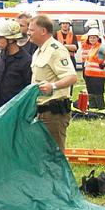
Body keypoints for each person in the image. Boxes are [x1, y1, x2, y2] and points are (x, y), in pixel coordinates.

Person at [29, 15, 78, 149]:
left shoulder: (56, 50)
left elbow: (72, 77)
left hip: (54, 113)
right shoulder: (38, 51)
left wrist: (53, 86)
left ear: (43, 31)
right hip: (41, 111)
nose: (28, 33)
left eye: (32, 30)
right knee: (42, 153)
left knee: (54, 154)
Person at [0, 18, 32, 110]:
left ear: (11, 40)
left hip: (16, 111)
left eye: (0, 37)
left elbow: (29, 91)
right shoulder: (1, 57)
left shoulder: (26, 61)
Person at [82, 28, 105, 117]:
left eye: (94, 38)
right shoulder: (92, 48)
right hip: (89, 76)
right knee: (91, 94)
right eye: (90, 38)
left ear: (98, 38)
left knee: (98, 94)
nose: (92, 39)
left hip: (98, 76)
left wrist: (104, 63)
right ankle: (93, 112)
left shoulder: (100, 47)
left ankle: (101, 111)